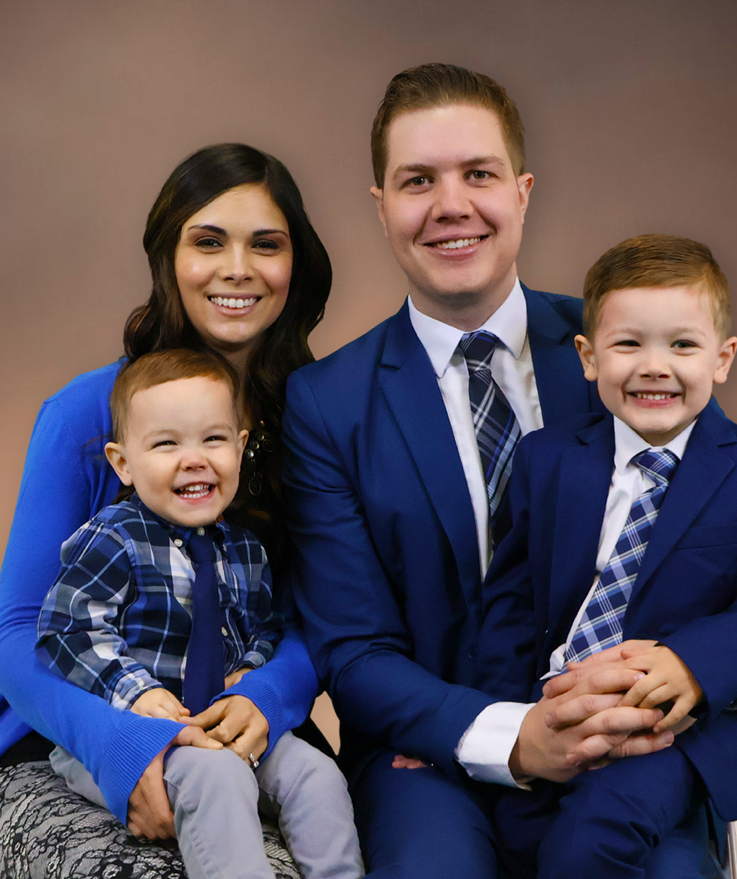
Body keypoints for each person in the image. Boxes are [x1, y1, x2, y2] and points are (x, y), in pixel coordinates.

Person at [281, 63, 678, 878]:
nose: (451, 205)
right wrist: (514, 737)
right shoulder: (327, 405)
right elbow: (354, 650)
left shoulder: (628, 350)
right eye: (418, 180)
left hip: (629, 742)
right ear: (382, 205)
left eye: (479, 174)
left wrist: (697, 678)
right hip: (426, 764)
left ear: (523, 191)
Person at [0, 143, 329, 844]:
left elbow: (318, 614)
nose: (237, 268)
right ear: (166, 259)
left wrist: (267, 694)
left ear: (294, 262)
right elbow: (20, 631)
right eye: (208, 242)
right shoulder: (85, 415)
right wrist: (122, 745)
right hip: (70, 732)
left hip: (247, 721)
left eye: (265, 244)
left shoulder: (320, 420)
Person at [476, 233, 737, 879]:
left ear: (723, 356)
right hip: (554, 707)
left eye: (681, 344)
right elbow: (510, 601)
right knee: (513, 840)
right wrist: (499, 712)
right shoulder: (547, 458)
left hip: (672, 735)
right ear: (588, 357)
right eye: (629, 343)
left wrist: (696, 663)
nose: (655, 365)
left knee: (588, 847)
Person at [36, 349, 363, 879]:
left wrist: (251, 671)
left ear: (240, 448)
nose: (194, 459)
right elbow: (67, 630)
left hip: (214, 721)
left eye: (213, 439)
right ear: (123, 463)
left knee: (316, 774)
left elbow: (264, 629)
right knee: (218, 777)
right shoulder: (112, 539)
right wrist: (137, 692)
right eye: (166, 443)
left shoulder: (245, 551)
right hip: (129, 730)